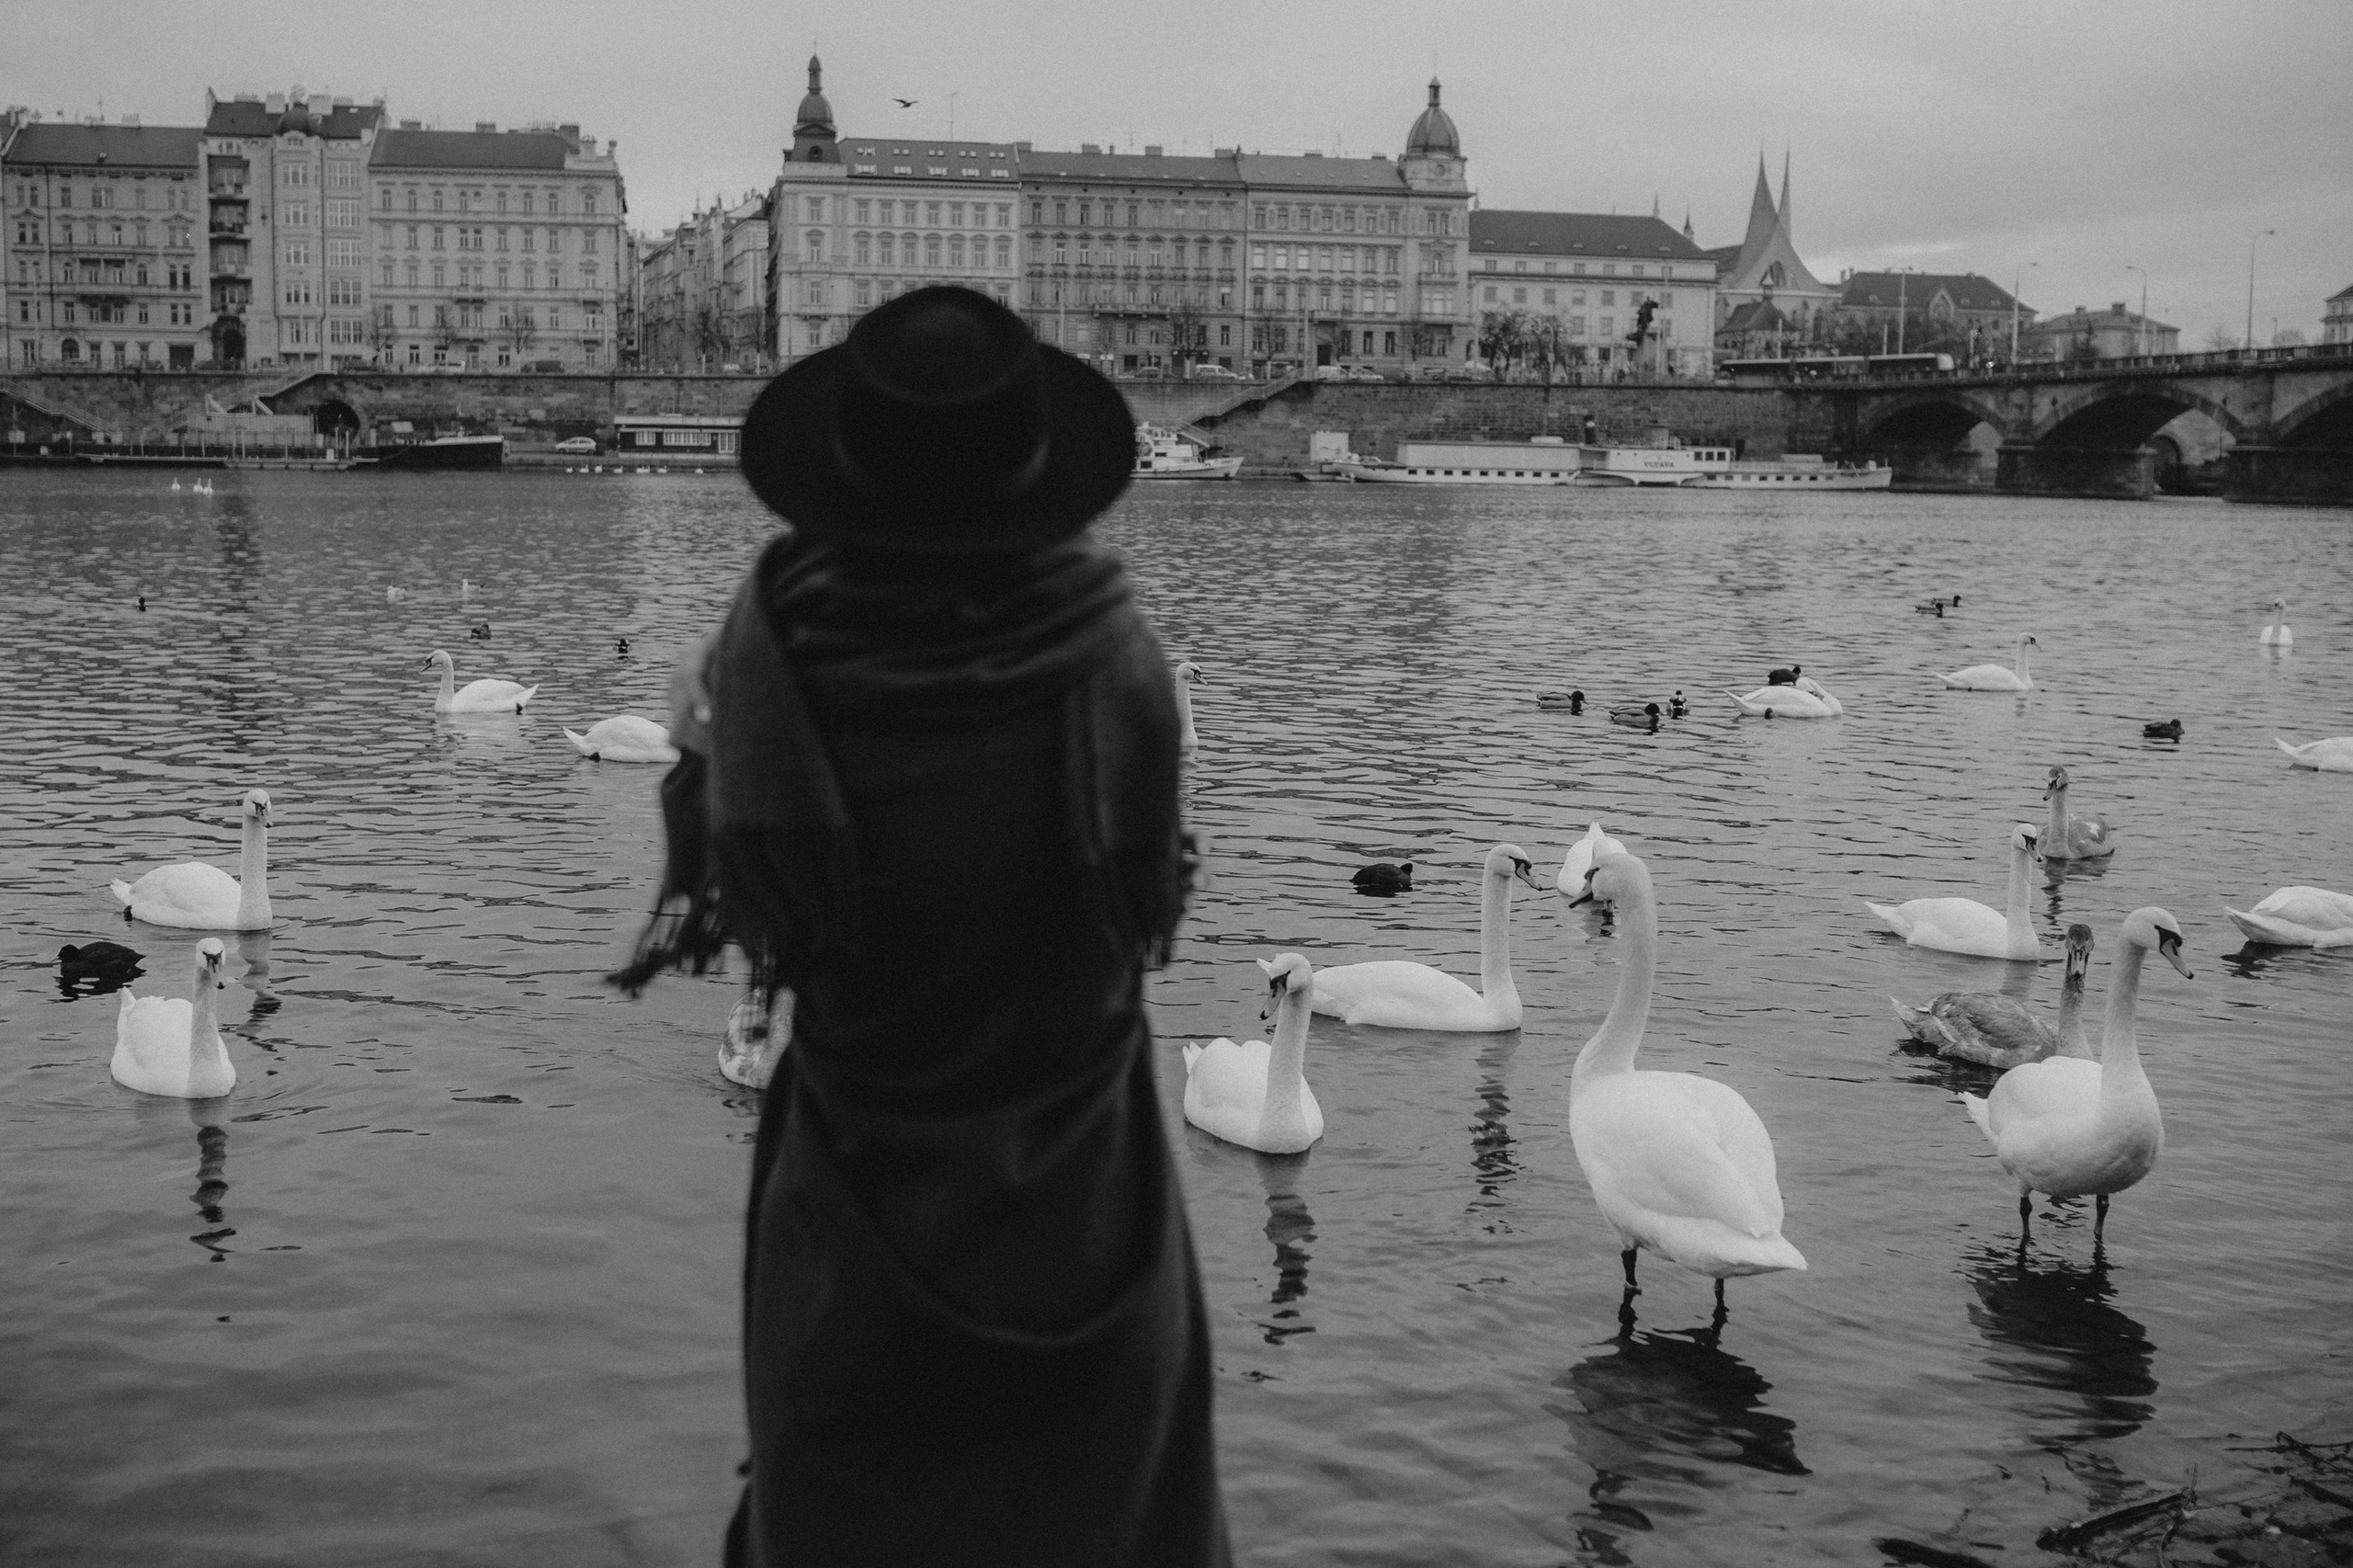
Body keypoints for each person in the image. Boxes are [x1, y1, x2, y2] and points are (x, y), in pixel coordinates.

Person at [614, 287, 1230, 1566]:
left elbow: (739, 893)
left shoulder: (770, 672)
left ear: (849, 477)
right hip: (1088, 1224)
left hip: (855, 1237)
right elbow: (1127, 924)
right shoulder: (1122, 672)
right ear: (1034, 479)